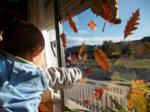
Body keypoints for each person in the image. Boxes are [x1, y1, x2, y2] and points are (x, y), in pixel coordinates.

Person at [0, 21, 82, 112]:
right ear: (36, 52)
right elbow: (61, 76)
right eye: (43, 52)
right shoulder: (33, 74)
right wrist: (80, 73)